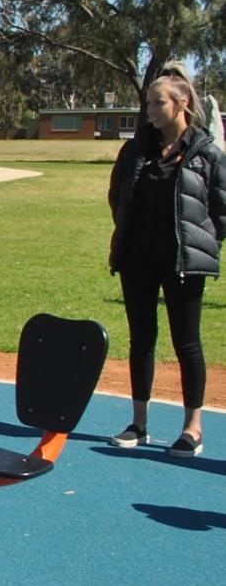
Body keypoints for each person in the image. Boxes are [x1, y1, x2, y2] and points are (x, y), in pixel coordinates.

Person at [107, 64, 226, 457]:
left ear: (181, 103)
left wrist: (204, 244)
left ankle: (192, 428)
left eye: (157, 103)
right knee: (141, 340)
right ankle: (138, 423)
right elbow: (117, 195)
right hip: (137, 260)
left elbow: (221, 211)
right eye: (147, 103)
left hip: (183, 262)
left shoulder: (206, 152)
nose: (150, 111)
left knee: (186, 343)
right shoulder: (136, 149)